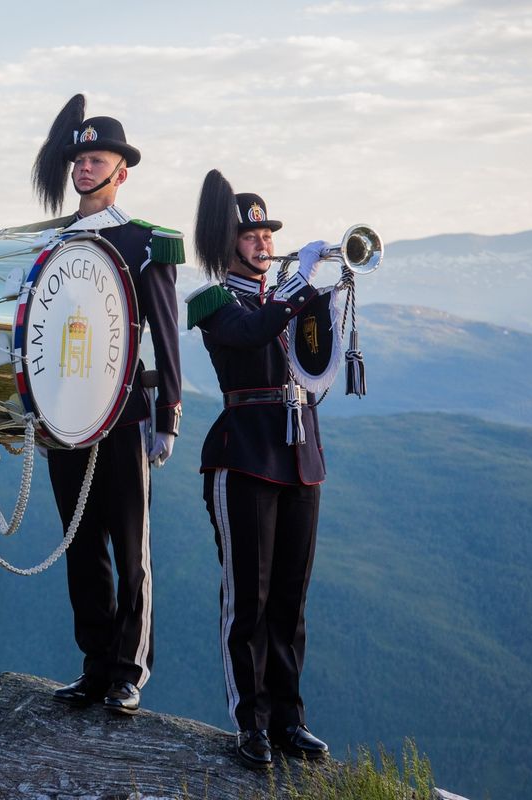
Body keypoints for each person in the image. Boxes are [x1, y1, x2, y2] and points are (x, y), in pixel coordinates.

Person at [31, 94, 183, 715]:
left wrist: (168, 415)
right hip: (65, 411)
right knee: (81, 541)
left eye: (97, 159)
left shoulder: (147, 241)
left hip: (124, 411)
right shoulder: (52, 240)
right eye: (79, 159)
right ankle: (94, 664)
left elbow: (168, 335)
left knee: (129, 544)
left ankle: (128, 670)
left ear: (122, 171)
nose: (84, 168)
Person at [187, 168, 331, 768]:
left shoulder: (286, 299)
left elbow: (317, 365)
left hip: (299, 453)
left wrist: (328, 300)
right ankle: (252, 723)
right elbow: (248, 335)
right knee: (248, 597)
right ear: (228, 244)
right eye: (251, 235)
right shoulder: (214, 300)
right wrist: (298, 290)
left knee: (290, 600)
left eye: (268, 233)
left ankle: (289, 719)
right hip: (244, 453)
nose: (264, 242)